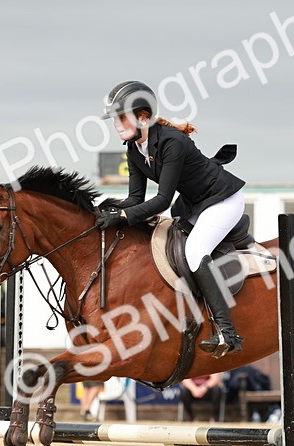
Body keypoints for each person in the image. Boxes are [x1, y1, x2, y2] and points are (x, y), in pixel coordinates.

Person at [94, 80, 247, 358]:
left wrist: (125, 215)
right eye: (114, 119)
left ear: (143, 116)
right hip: (193, 203)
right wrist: (106, 210)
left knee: (194, 251)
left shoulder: (171, 142)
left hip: (222, 199)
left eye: (121, 117)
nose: (116, 124)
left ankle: (227, 331)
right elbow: (135, 200)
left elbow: (162, 200)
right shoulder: (133, 149)